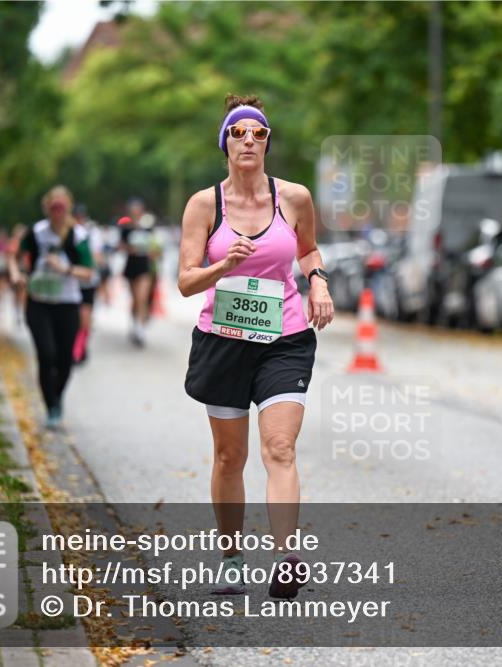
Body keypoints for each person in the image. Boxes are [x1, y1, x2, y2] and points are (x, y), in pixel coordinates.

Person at [178, 94, 334, 599]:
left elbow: (308, 249)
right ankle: (230, 556)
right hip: (223, 341)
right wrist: (223, 266)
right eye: (238, 132)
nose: (248, 140)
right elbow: (184, 281)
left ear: (268, 142)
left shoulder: (295, 198)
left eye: (258, 133)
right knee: (229, 458)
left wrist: (318, 283)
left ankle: (286, 556)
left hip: (283, 339)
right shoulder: (205, 205)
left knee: (280, 447)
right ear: (224, 142)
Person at [9, 186, 94, 430]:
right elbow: (14, 257)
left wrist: (65, 269)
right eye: (53, 207)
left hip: (67, 304)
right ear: (46, 207)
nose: (57, 212)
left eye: (62, 207)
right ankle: (52, 407)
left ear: (68, 208)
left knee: (65, 360)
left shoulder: (77, 236)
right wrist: (17, 274)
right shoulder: (36, 232)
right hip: (38, 302)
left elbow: (88, 273)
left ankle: (56, 398)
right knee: (47, 355)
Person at [119, 198, 157, 347]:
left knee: (142, 297)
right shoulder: (125, 228)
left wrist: (153, 252)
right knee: (135, 299)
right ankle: (134, 324)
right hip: (131, 266)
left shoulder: (148, 227)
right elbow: (121, 246)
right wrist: (130, 249)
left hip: (145, 267)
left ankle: (141, 329)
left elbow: (155, 245)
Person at [72, 204, 104, 364]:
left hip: (87, 282)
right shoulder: (67, 232)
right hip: (70, 281)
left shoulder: (92, 233)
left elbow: (98, 257)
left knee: (85, 318)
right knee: (73, 318)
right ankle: (73, 347)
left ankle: (79, 349)